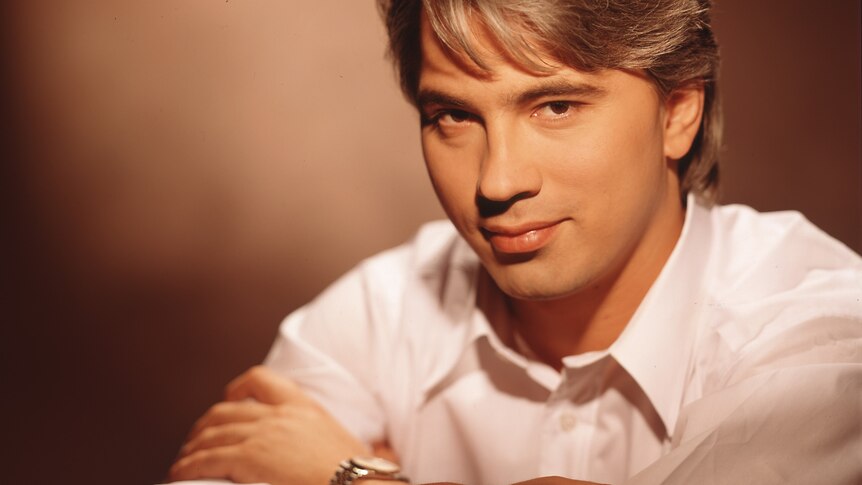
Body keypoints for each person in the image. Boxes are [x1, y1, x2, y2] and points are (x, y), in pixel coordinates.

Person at [168, 1, 862, 484]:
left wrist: (353, 477)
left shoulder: (819, 328)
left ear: (679, 110)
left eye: (555, 106)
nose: (497, 180)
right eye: (453, 116)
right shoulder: (379, 312)